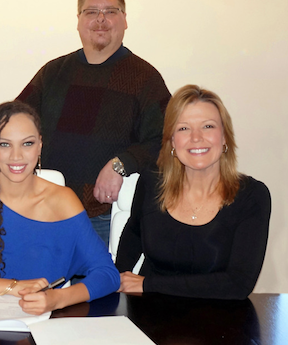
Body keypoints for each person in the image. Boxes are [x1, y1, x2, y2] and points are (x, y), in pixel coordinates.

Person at [0, 101, 120, 315]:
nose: (16, 156)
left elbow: (108, 274)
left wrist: (57, 299)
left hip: (46, 323)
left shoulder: (64, 200)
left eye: (27, 143)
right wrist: (13, 287)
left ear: (40, 145)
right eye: (4, 144)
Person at [16, 0, 171, 246]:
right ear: (78, 20)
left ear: (124, 20)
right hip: (45, 210)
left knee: (96, 288)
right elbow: (14, 123)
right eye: (91, 12)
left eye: (110, 11)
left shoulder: (145, 79)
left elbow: (167, 140)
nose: (101, 19)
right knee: (42, 286)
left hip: (103, 217)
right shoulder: (53, 73)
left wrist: (121, 164)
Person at [116, 85, 271, 299]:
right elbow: (133, 234)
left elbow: (238, 284)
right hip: (149, 315)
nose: (196, 137)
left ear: (225, 137)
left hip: (222, 321)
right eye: (183, 128)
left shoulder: (252, 195)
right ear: (172, 141)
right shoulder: (152, 180)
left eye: (208, 126)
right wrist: (112, 281)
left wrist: (150, 285)